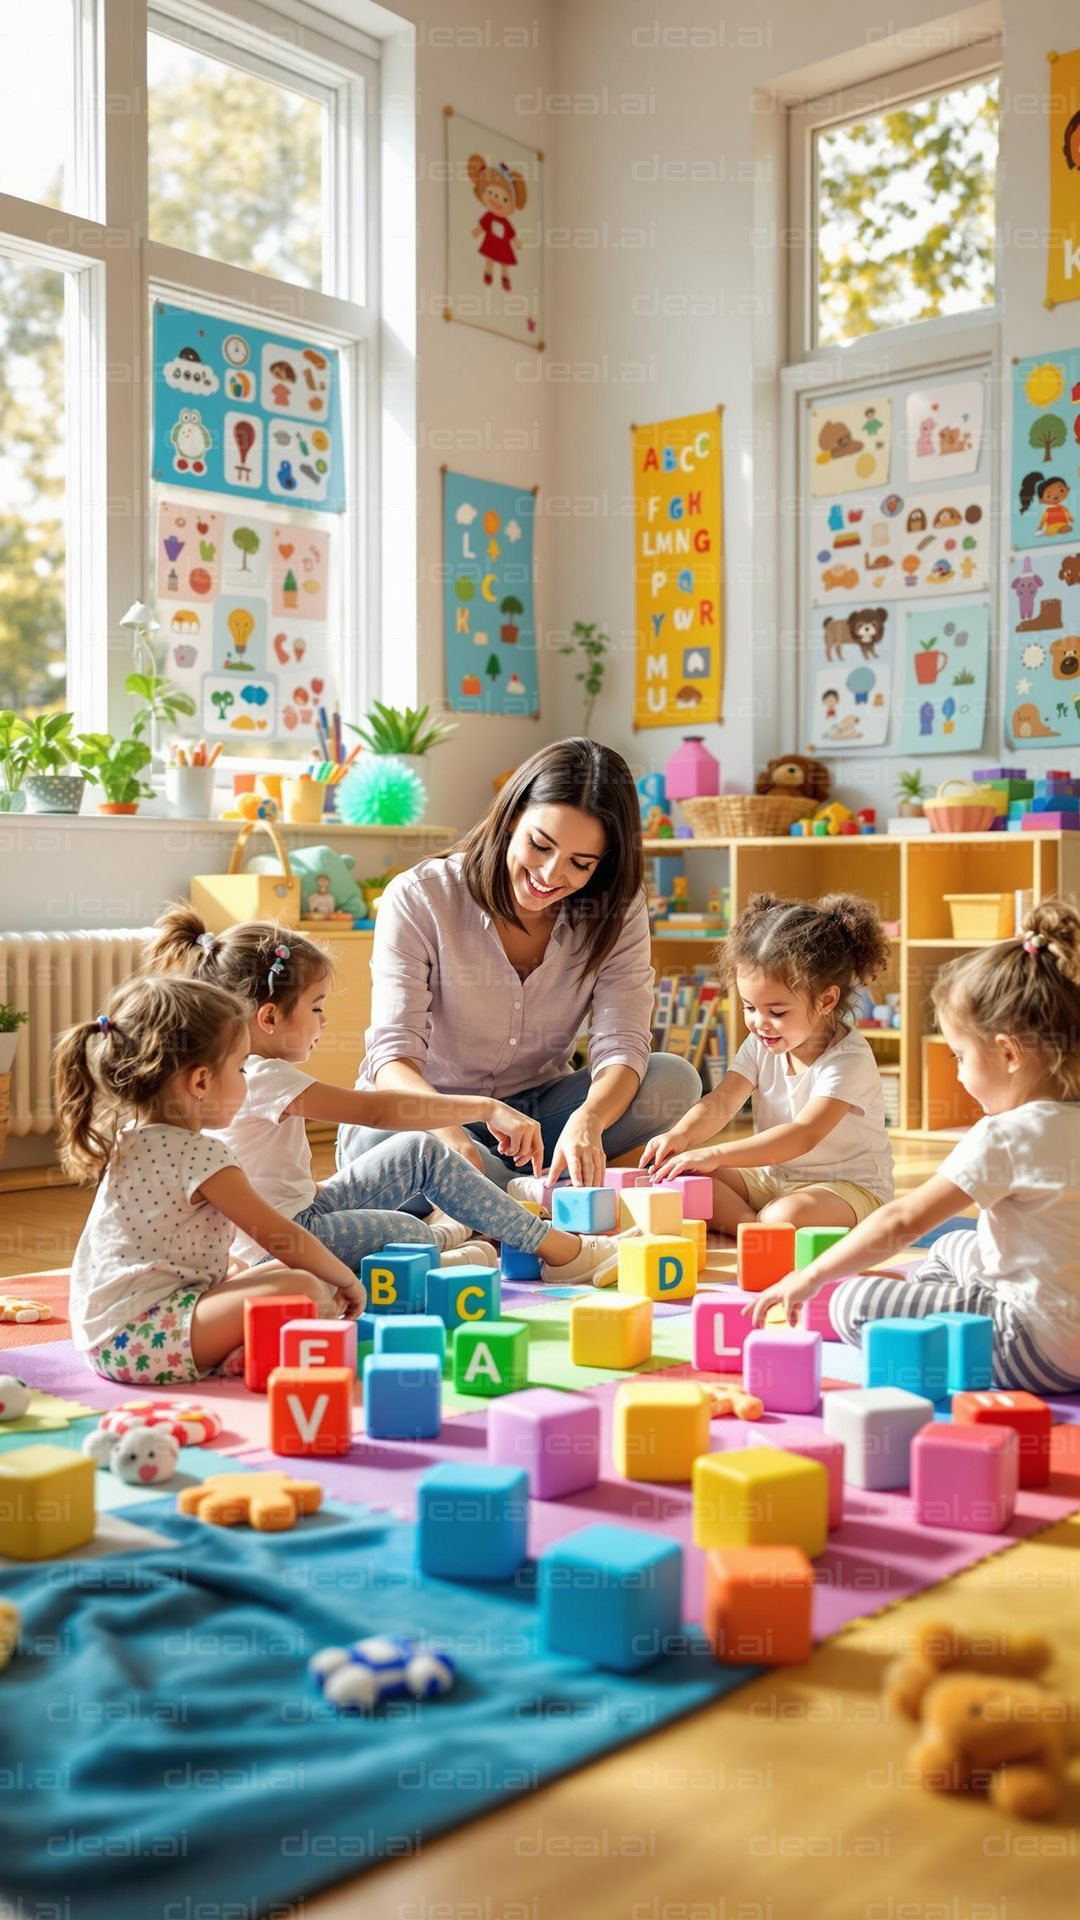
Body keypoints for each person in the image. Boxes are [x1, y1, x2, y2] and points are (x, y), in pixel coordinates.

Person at [143, 908, 626, 1284]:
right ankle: (554, 1252)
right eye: (315, 1008)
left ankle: (454, 1243)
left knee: (420, 1154)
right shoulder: (264, 1074)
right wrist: (483, 1107)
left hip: (303, 1211)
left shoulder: (254, 1070)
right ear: (268, 1018)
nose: (324, 1022)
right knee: (408, 1233)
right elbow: (379, 1107)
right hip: (281, 1244)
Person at [337, 737, 700, 1196]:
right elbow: (392, 1057)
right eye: (540, 845)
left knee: (672, 1079)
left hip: (538, 1118)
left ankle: (488, 1195)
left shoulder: (617, 909)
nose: (551, 876)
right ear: (512, 819)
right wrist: (446, 1132)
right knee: (383, 1141)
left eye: (580, 863)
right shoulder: (420, 896)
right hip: (429, 1113)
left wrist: (588, 1119)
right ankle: (530, 1196)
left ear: (604, 862)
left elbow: (622, 1042)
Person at [750, 899, 1080, 1394]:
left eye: (960, 1056)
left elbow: (903, 1221)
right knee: (952, 1244)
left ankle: (936, 1326)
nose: (958, 1072)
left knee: (848, 1301)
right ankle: (944, 1304)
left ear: (1008, 1053)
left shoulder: (1005, 1136)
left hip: (1027, 1347)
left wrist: (810, 1276)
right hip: (1067, 1332)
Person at [55, 975, 363, 1385]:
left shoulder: (129, 1137)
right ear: (200, 1082)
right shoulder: (202, 1155)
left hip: (109, 1333)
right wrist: (346, 1278)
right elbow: (281, 1237)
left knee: (271, 1274)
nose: (246, 1079)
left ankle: (234, 1354)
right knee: (304, 1285)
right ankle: (233, 1356)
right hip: (139, 1341)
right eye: (240, 1068)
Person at [640, 892, 894, 1232]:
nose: (759, 1023)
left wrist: (714, 1154)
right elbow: (722, 1101)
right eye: (749, 1007)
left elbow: (802, 1136)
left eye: (776, 1012)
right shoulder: (762, 1042)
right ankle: (752, 1228)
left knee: (782, 1215)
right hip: (773, 1179)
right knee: (680, 1175)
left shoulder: (848, 1061)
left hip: (847, 1190)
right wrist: (681, 1136)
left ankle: (761, 1226)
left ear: (826, 1000)